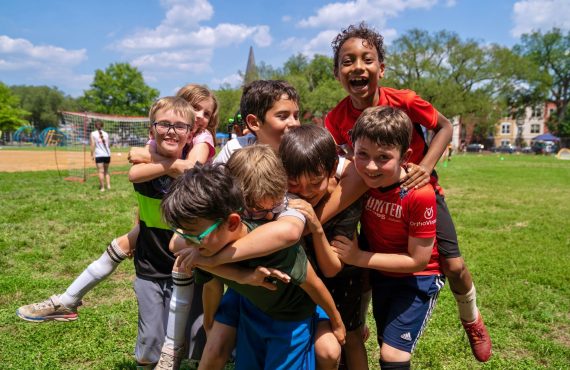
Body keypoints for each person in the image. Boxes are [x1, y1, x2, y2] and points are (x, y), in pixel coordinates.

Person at [320, 23, 492, 362]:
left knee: (454, 265)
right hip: (371, 198)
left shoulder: (403, 100)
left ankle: (471, 318)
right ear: (337, 72)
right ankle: (358, 322)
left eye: (367, 59)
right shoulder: (336, 118)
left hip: (415, 192)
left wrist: (426, 167)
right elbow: (337, 161)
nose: (357, 67)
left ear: (381, 68)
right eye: (347, 61)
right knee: (364, 268)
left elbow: (443, 126)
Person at [163, 148, 345, 370]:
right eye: (257, 211)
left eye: (274, 209)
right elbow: (203, 275)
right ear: (238, 204)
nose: (268, 217)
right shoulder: (204, 241)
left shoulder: (277, 239)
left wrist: (337, 322)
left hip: (291, 319)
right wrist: (238, 277)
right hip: (252, 308)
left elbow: (312, 280)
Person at [330, 106, 444, 370]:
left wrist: (359, 257)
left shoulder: (419, 194)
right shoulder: (362, 179)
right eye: (363, 154)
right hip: (382, 276)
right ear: (352, 150)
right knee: (386, 344)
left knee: (393, 354)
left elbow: (418, 260)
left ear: (406, 156)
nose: (371, 166)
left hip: (418, 280)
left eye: (383, 157)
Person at [281, 125, 368, 369]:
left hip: (343, 283)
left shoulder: (346, 201)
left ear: (332, 171)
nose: (306, 192)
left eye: (315, 182)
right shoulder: (280, 195)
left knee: (351, 338)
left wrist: (316, 227)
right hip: (303, 282)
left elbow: (332, 269)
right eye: (294, 184)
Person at [90, 120, 111, 192]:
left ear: (95, 126)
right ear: (102, 126)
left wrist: (92, 154)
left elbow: (92, 145)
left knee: (101, 171)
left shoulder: (93, 134)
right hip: (107, 155)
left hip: (99, 155)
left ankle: (102, 188)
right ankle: (108, 186)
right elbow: (108, 145)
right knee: (106, 171)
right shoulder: (106, 134)